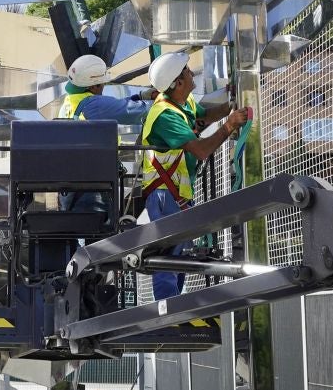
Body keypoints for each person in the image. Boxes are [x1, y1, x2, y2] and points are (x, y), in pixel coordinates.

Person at [141, 52, 248, 301]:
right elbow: (200, 151)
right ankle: (166, 309)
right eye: (187, 71)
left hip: (175, 193)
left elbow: (204, 116)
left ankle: (175, 305)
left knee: (177, 254)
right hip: (165, 194)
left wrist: (229, 106)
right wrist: (229, 125)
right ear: (178, 82)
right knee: (168, 253)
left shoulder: (182, 101)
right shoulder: (165, 115)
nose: (192, 73)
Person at [57, 55, 159, 222]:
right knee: (98, 233)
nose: (104, 86)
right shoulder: (94, 105)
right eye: (103, 83)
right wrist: (163, 101)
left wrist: (140, 96)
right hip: (93, 189)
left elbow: (112, 106)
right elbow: (133, 111)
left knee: (74, 229)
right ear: (94, 85)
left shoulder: (69, 103)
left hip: (70, 189)